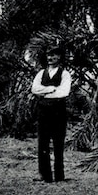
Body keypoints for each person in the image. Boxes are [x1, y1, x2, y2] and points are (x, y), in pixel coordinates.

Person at [31, 46, 72, 183]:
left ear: (59, 57)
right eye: (48, 55)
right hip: (43, 111)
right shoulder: (41, 73)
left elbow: (64, 92)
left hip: (58, 111)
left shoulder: (65, 74)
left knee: (58, 143)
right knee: (42, 143)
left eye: (53, 55)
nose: (50, 58)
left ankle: (59, 176)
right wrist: (52, 88)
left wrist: (44, 92)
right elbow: (34, 89)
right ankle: (45, 176)